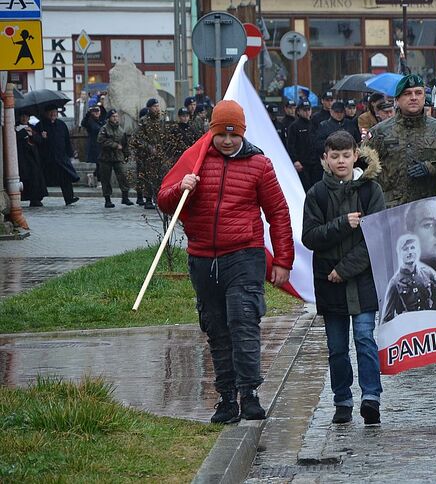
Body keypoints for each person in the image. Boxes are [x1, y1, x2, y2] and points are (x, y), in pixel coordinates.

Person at [158, 100, 293, 424]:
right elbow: (164, 201)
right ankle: (226, 399)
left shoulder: (260, 164)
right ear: (212, 132)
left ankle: (250, 394)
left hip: (244, 255)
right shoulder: (196, 161)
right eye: (222, 134)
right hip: (203, 258)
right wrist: (181, 187)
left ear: (243, 133)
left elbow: (278, 213)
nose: (228, 141)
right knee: (216, 329)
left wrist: (283, 260)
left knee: (243, 322)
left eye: (234, 135)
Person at [301, 130, 385, 426]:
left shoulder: (371, 191)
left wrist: (345, 269)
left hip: (362, 279)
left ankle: (371, 397)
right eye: (334, 156)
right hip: (328, 282)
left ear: (355, 156)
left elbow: (376, 237)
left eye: (346, 155)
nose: (340, 161)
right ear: (325, 158)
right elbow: (311, 237)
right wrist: (342, 224)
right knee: (337, 347)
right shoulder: (317, 194)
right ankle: (342, 399)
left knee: (364, 339)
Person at [367, 74, 436, 208]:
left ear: (424, 97)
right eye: (407, 94)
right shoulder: (379, 132)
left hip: (430, 208)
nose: (413, 97)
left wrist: (432, 167)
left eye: (418, 93)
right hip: (391, 210)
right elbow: (363, 169)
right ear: (397, 100)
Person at [381, 234, 436, 322]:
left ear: (417, 250)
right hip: (408, 326)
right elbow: (387, 318)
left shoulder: (427, 273)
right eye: (405, 249)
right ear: (399, 253)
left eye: (412, 248)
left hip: (430, 323)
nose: (410, 252)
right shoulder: (395, 282)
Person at [35, 107, 79, 205]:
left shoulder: (61, 124)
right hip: (46, 158)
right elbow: (36, 141)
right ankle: (36, 199)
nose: (53, 114)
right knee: (42, 179)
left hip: (61, 157)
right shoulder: (40, 125)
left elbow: (67, 140)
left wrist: (70, 154)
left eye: (54, 112)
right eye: (50, 112)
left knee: (65, 177)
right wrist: (42, 137)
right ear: (46, 113)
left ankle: (69, 198)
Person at [133, 98, 167, 210]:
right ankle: (148, 199)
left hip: (159, 154)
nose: (157, 109)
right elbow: (138, 138)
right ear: (149, 108)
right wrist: (149, 147)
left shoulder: (161, 121)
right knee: (148, 176)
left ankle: (157, 198)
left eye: (158, 106)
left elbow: (165, 136)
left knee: (159, 176)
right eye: (154, 107)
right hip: (147, 155)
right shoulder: (144, 122)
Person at [96, 109, 134, 208]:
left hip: (118, 157)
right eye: (113, 116)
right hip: (106, 157)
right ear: (109, 118)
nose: (115, 118)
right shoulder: (104, 129)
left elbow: (125, 144)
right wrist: (114, 145)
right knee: (105, 179)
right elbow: (101, 140)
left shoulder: (121, 129)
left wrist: (127, 155)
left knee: (123, 175)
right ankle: (107, 199)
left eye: (116, 116)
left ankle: (125, 197)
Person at [14, 112, 47, 207]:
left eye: (26, 117)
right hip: (21, 157)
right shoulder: (15, 127)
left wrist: (32, 134)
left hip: (32, 156)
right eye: (22, 116)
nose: (24, 118)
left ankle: (35, 198)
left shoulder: (33, 127)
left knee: (35, 177)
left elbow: (39, 140)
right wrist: (24, 132)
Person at [288, 101, 320, 190]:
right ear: (298, 111)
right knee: (305, 188)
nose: (307, 112)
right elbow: (291, 145)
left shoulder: (314, 124)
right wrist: (295, 160)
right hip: (302, 164)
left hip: (315, 162)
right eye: (304, 110)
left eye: (308, 109)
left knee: (316, 187)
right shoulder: (294, 126)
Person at [80, 104, 105, 185]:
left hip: (103, 145)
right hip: (95, 145)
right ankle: (99, 181)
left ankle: (93, 176)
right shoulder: (90, 122)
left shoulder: (102, 121)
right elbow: (83, 123)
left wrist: (102, 106)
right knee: (99, 163)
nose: (97, 112)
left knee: (101, 164)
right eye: (95, 111)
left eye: (98, 110)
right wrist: (88, 113)